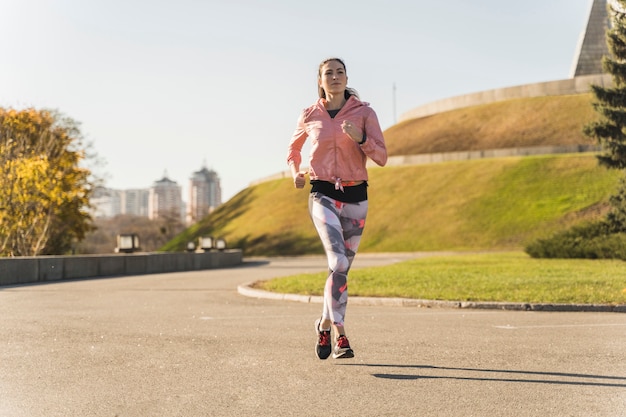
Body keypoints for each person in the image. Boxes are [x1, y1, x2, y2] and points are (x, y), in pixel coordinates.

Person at [287, 57, 387, 359]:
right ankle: (342, 336)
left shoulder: (364, 113)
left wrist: (362, 139)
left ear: (347, 78)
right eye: (328, 73)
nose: (334, 77)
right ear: (320, 80)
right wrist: (296, 172)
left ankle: (323, 324)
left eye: (339, 72)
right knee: (338, 262)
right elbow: (293, 149)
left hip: (357, 197)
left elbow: (381, 156)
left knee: (339, 269)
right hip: (322, 194)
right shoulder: (309, 114)